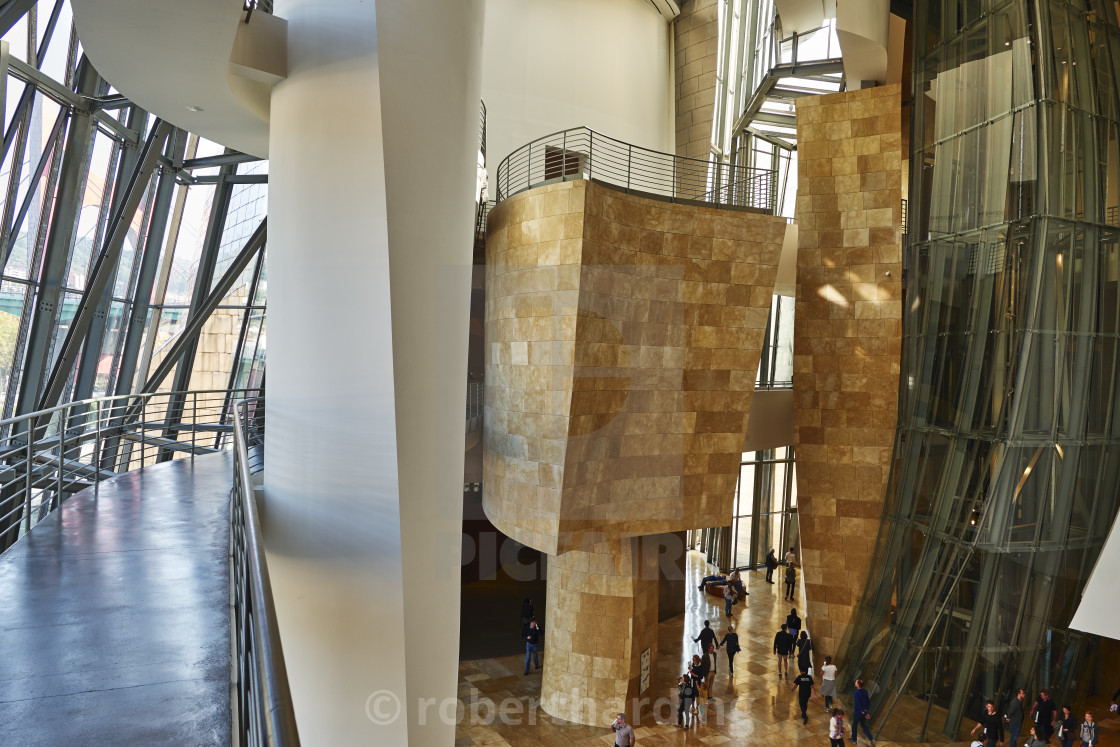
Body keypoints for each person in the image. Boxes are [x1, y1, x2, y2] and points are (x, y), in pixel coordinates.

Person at [852, 679, 875, 745]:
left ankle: (854, 740)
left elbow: (858, 704)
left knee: (854, 725)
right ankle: (871, 739)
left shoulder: (856, 693)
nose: (855, 683)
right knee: (863, 725)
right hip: (864, 712)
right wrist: (866, 711)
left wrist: (864, 712)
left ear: (858, 685)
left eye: (856, 682)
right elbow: (868, 702)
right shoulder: (865, 691)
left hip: (858, 713)